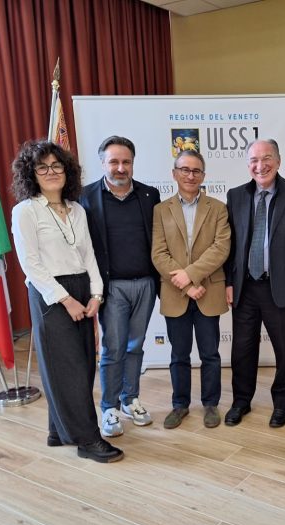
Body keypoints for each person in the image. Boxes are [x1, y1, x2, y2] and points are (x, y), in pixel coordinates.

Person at [10, 139, 123, 463]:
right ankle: (87, 440)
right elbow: (31, 264)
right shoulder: (25, 211)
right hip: (50, 293)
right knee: (68, 368)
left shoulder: (77, 209)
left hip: (82, 286)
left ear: (67, 170)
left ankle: (58, 431)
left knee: (83, 365)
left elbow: (88, 255)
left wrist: (96, 295)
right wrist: (66, 300)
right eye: (42, 167)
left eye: (56, 165)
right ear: (31, 173)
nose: (51, 172)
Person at [224, 139, 285, 428]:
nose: (260, 165)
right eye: (254, 160)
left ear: (278, 160)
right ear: (247, 163)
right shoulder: (235, 196)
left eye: (266, 158)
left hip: (282, 286)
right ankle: (241, 401)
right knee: (242, 350)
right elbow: (231, 246)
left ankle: (283, 404)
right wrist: (229, 282)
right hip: (245, 287)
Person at [80, 135, 160, 438]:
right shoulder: (85, 197)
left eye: (126, 161)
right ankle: (109, 407)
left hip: (145, 284)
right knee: (113, 348)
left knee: (135, 346)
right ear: (103, 163)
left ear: (133, 163)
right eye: (114, 161)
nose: (121, 167)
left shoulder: (149, 195)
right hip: (111, 287)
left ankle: (130, 400)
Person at [151, 150, 231, 429]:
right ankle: (180, 405)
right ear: (174, 174)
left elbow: (220, 248)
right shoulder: (160, 210)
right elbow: (158, 253)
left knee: (210, 354)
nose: (190, 175)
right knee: (178, 355)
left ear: (203, 176)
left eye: (196, 171)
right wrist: (187, 285)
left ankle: (210, 404)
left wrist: (191, 277)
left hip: (208, 292)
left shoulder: (218, 208)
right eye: (184, 169)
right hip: (176, 294)